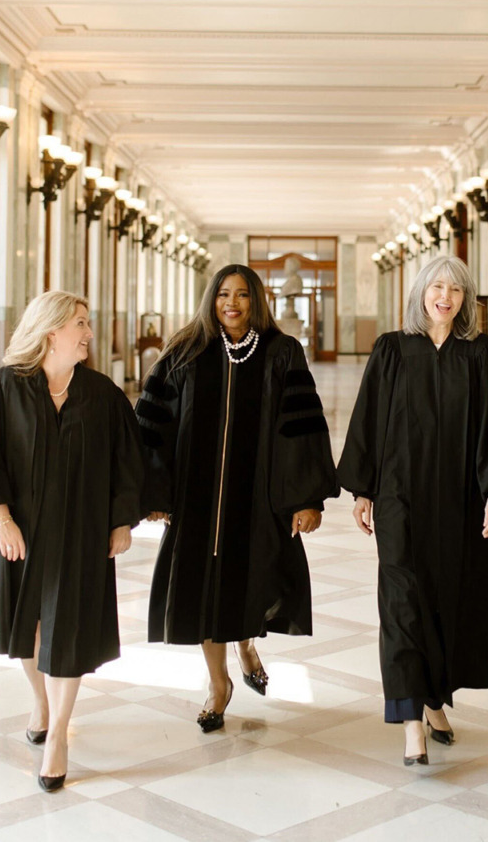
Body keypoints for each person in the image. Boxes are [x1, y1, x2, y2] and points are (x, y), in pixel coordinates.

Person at [0, 291, 144, 793]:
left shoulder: (102, 395)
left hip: (81, 531)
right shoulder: (3, 388)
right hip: (20, 533)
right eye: (81, 323)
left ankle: (58, 741)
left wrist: (121, 521)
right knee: (26, 625)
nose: (89, 333)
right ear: (52, 332)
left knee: (68, 627)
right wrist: (1, 517)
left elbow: (126, 462)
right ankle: (41, 700)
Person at [337, 255, 488, 766]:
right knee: (403, 602)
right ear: (420, 293)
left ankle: (435, 699)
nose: (444, 296)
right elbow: (369, 421)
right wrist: (363, 490)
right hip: (400, 499)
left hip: (461, 502)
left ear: (466, 299)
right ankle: (411, 723)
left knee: (452, 600)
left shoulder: (484, 355)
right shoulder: (392, 350)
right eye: (436, 287)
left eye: (455, 289)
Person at [136, 264, 338, 732]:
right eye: (224, 294)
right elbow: (153, 425)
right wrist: (156, 491)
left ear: (256, 301)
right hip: (196, 500)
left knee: (249, 585)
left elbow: (302, 429)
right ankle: (218, 684)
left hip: (259, 499)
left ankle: (246, 645)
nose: (232, 303)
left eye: (243, 295)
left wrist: (305, 499)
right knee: (205, 592)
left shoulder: (281, 352)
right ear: (211, 299)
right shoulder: (185, 352)